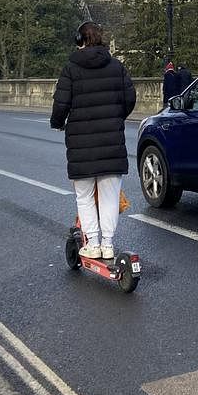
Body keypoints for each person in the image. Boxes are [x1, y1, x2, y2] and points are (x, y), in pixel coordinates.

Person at [50, 21, 136, 260]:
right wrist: (116, 117)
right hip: (111, 140)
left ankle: (93, 243)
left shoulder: (71, 68)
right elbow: (130, 99)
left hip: (81, 144)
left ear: (79, 40)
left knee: (85, 197)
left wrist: (57, 123)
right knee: (109, 197)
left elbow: (61, 103)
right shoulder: (117, 66)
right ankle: (108, 244)